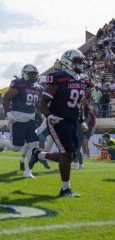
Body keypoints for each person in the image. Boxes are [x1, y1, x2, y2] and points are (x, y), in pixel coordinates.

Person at [29, 49, 89, 197]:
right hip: (58, 120)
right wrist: (49, 116)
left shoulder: (83, 80)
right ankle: (65, 189)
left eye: (81, 61)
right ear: (68, 61)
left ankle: (39, 154)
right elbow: (41, 102)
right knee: (66, 153)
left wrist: (81, 120)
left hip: (72, 120)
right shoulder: (59, 78)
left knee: (71, 155)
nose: (80, 64)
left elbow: (79, 103)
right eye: (77, 61)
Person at [0, 64, 49, 178]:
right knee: (17, 147)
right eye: (31, 74)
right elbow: (6, 98)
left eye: (35, 74)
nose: (33, 77)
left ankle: (28, 171)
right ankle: (4, 141)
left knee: (34, 145)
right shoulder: (18, 84)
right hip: (17, 119)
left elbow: (38, 105)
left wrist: (46, 114)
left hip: (31, 119)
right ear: (24, 74)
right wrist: (8, 113)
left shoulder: (38, 88)